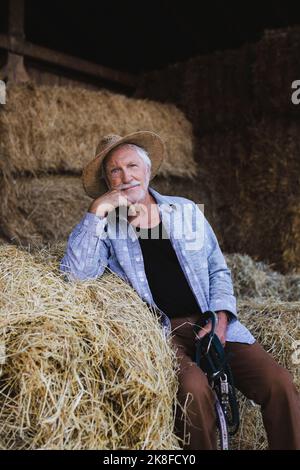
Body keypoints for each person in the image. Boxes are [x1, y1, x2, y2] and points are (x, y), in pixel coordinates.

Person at [60, 131, 300, 450]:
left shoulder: (185, 210)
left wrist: (222, 320)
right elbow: (74, 275)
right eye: (115, 170)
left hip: (210, 322)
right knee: (193, 389)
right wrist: (95, 211)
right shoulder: (107, 226)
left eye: (132, 165)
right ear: (107, 181)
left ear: (147, 170)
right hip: (162, 334)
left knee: (278, 383)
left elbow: (218, 268)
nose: (126, 175)